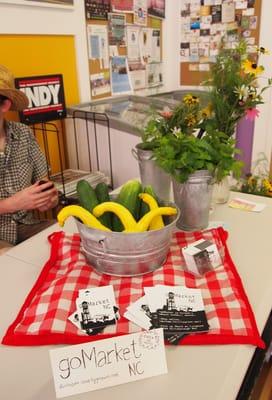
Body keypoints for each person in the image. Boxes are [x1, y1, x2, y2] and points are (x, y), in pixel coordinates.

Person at [0, 65, 58, 254]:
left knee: (71, 239)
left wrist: (49, 199)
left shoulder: (24, 134)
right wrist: (12, 204)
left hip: (27, 227)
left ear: (5, 105)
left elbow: (45, 185)